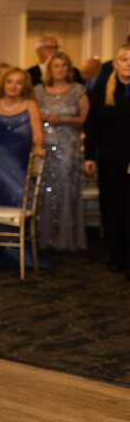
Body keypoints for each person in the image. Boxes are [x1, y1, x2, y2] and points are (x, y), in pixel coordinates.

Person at [0, 67, 45, 269]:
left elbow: (38, 135)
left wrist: (38, 149)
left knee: (20, 203)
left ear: (24, 86)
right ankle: (1, 254)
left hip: (20, 163)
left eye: (19, 82)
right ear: (3, 83)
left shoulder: (30, 105)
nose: (13, 86)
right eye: (10, 81)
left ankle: (21, 253)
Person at [35, 51, 89, 251]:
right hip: (44, 146)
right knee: (43, 190)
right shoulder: (38, 91)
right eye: (56, 65)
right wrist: (43, 118)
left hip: (68, 146)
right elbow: (29, 115)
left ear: (69, 69)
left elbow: (85, 119)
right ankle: (43, 237)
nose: (59, 69)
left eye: (63, 65)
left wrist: (64, 119)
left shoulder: (78, 91)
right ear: (49, 69)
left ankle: (66, 238)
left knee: (65, 189)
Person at [84, 44, 130, 279]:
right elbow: (92, 126)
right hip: (111, 159)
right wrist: (89, 156)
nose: (128, 63)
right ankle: (116, 254)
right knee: (112, 209)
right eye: (124, 59)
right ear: (115, 63)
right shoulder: (102, 89)